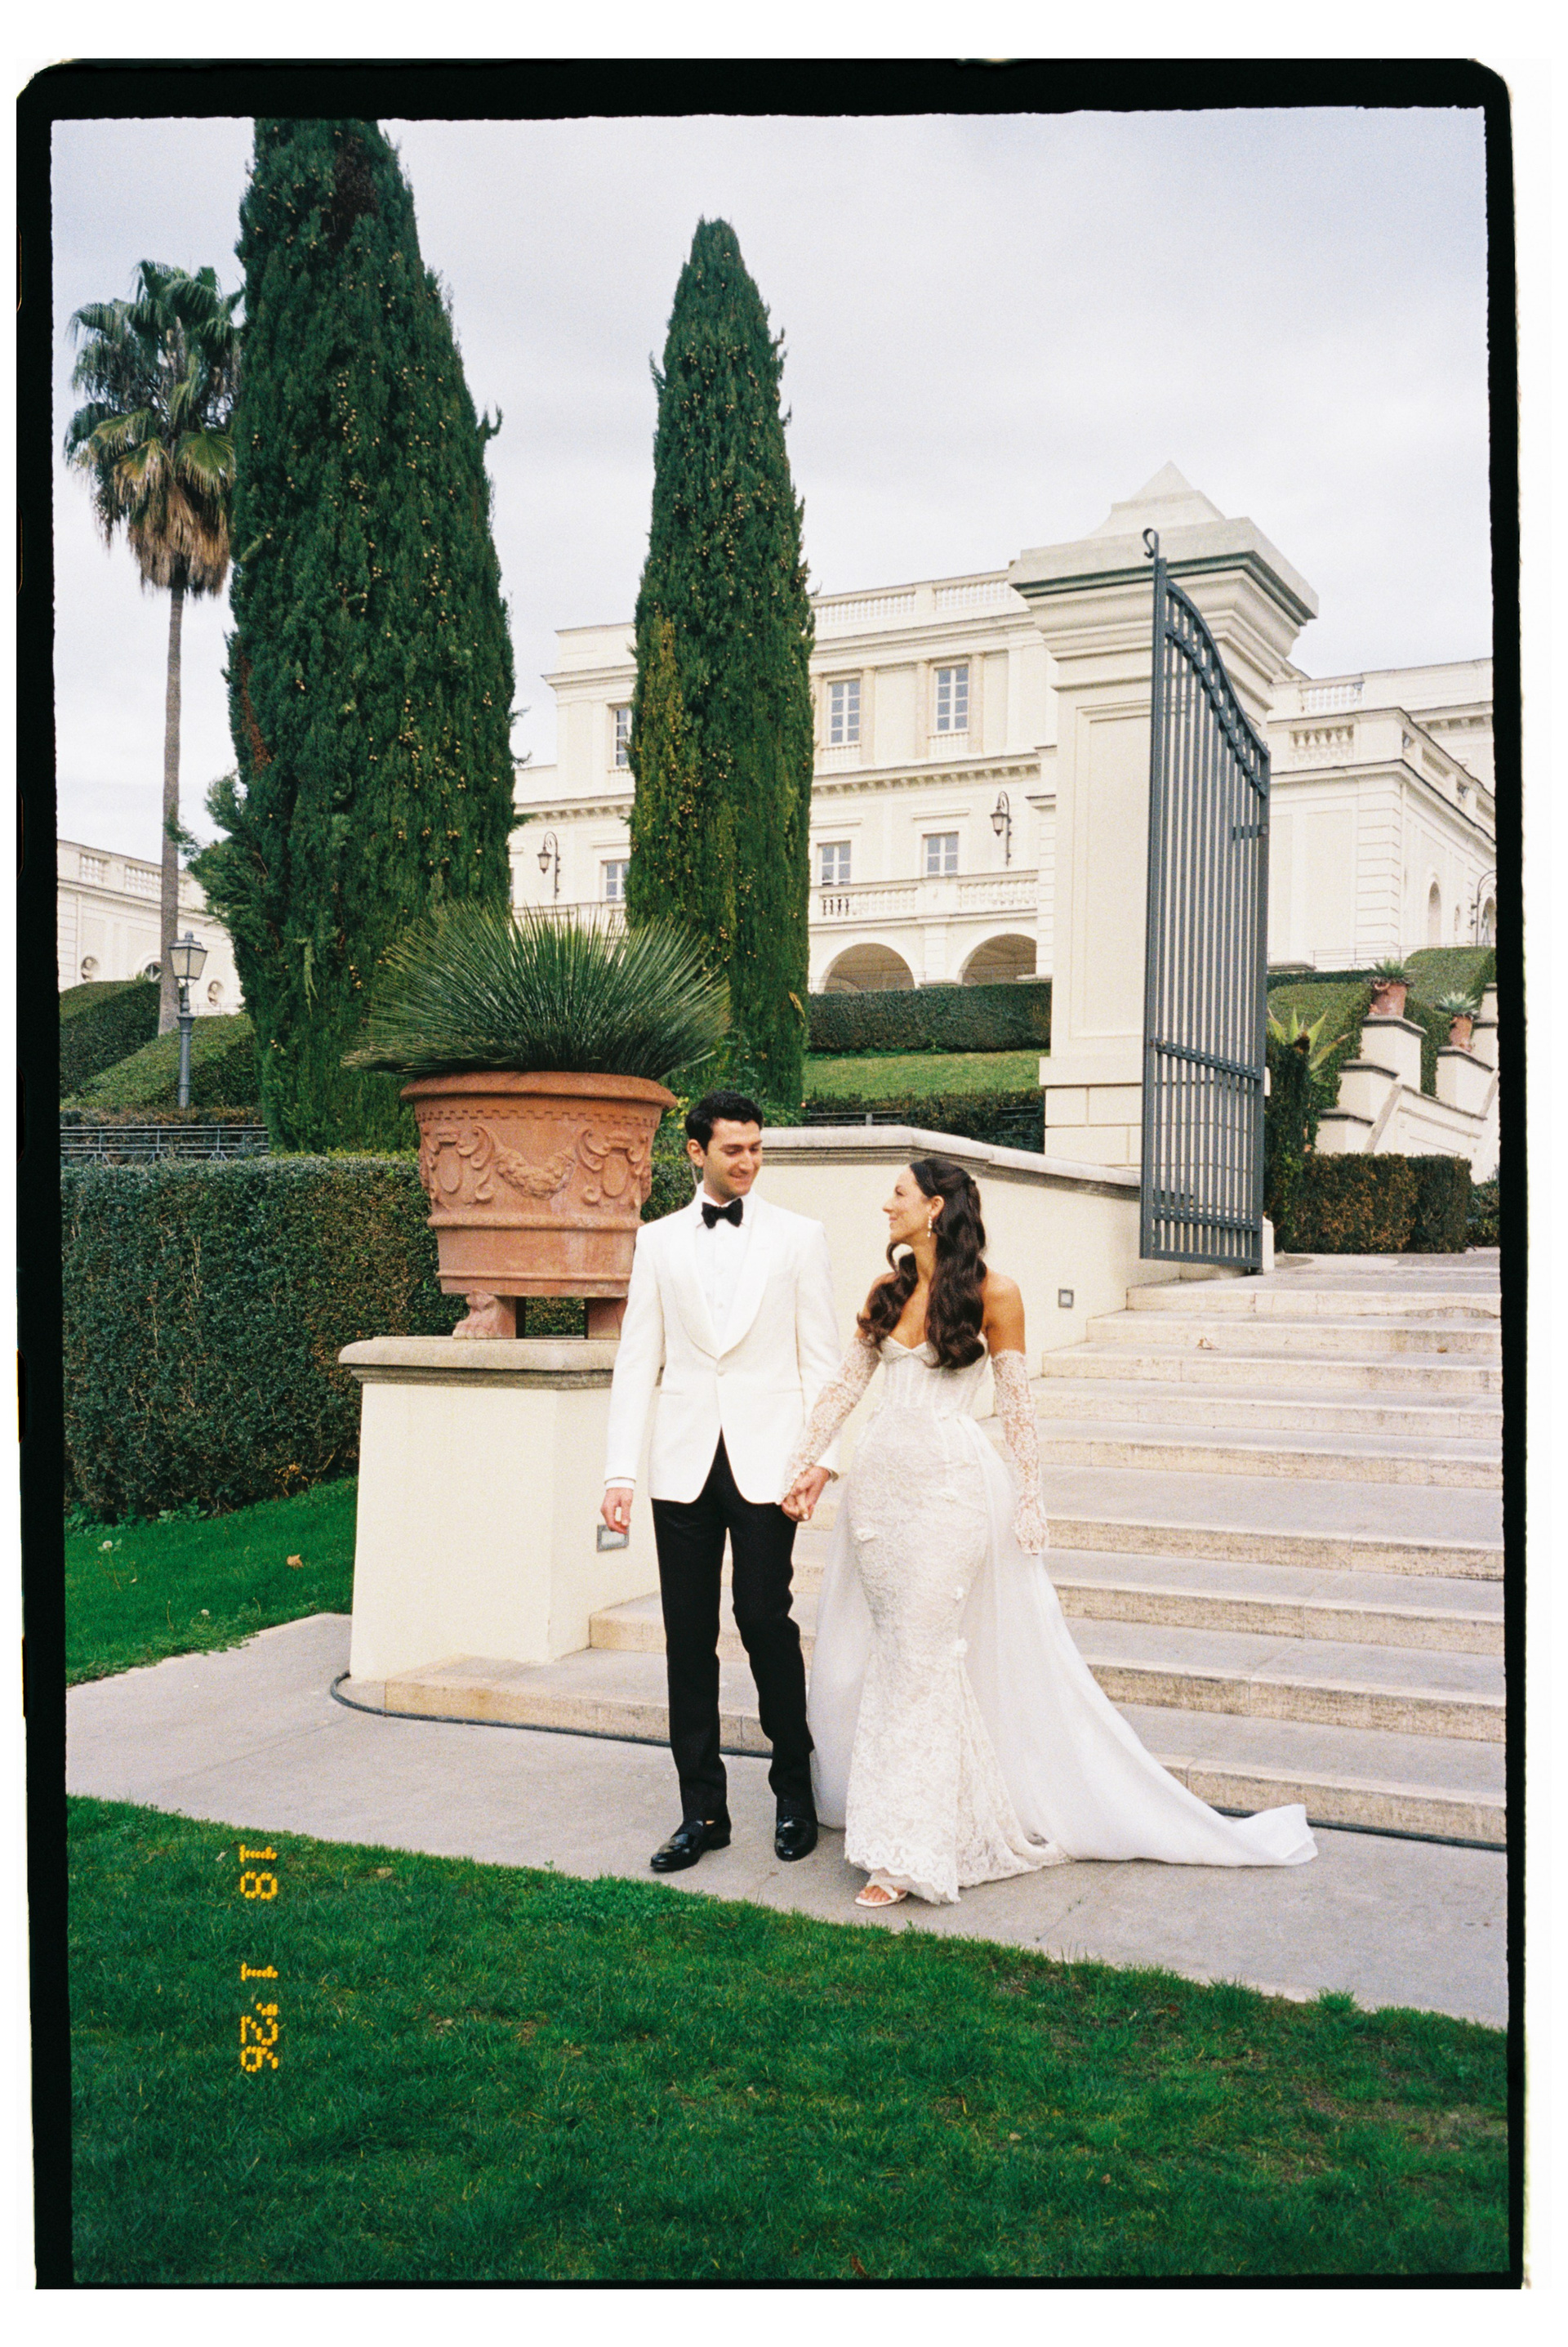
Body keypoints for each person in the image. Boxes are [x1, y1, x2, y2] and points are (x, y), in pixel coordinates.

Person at [781, 1155, 1317, 1908]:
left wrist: (1031, 1495)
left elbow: (1018, 1406)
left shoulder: (996, 1294)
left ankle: (905, 1850)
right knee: (897, 1653)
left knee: (923, 1655)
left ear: (934, 1207)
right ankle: (926, 1821)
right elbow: (845, 1385)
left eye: (898, 1193)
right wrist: (806, 1463)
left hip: (950, 1493)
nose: (885, 1205)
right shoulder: (886, 1290)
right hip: (879, 1500)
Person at [601, 1089, 842, 1876]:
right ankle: (701, 1811)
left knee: (764, 1617)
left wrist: (819, 1459)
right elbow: (638, 1359)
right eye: (734, 1149)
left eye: (756, 1147)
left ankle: (794, 1790)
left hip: (770, 1462)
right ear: (695, 1151)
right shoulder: (657, 1241)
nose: (749, 1161)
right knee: (687, 1636)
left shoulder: (800, 1238)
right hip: (681, 1465)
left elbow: (822, 1362)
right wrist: (619, 1471)